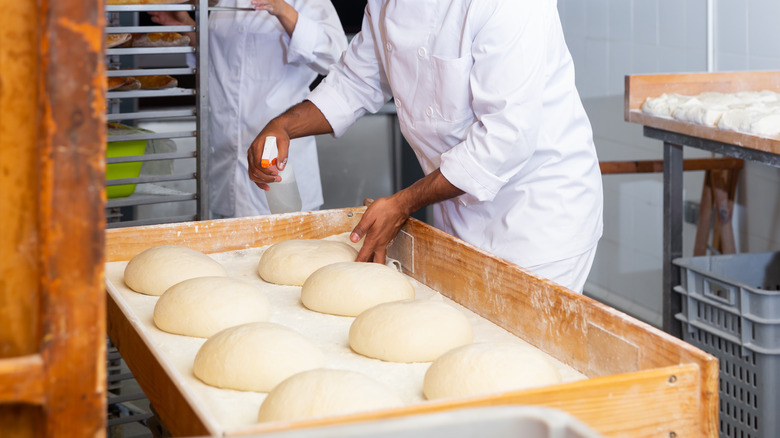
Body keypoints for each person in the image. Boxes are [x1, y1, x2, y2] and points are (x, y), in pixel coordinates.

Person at [247, 0, 603, 293]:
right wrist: (284, 126)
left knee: (525, 361)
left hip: (539, 215)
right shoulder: (387, 4)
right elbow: (354, 82)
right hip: (460, 211)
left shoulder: (507, 6)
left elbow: (505, 139)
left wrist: (404, 203)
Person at [149, 0, 347, 218]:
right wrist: (186, 24)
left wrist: (282, 9)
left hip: (283, 174)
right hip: (225, 174)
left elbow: (337, 57)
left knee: (288, 248)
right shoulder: (222, 4)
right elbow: (216, 68)